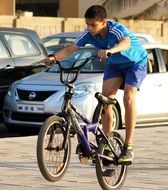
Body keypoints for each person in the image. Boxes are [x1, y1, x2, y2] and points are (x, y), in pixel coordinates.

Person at [45, 5, 148, 164]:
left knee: (128, 97)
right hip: (115, 65)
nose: (90, 28)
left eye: (93, 25)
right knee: (105, 101)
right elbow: (71, 48)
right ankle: (107, 142)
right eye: (87, 24)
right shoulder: (88, 34)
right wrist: (53, 58)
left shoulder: (116, 29)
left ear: (103, 22)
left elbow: (126, 43)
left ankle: (128, 146)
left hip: (135, 63)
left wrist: (110, 51)